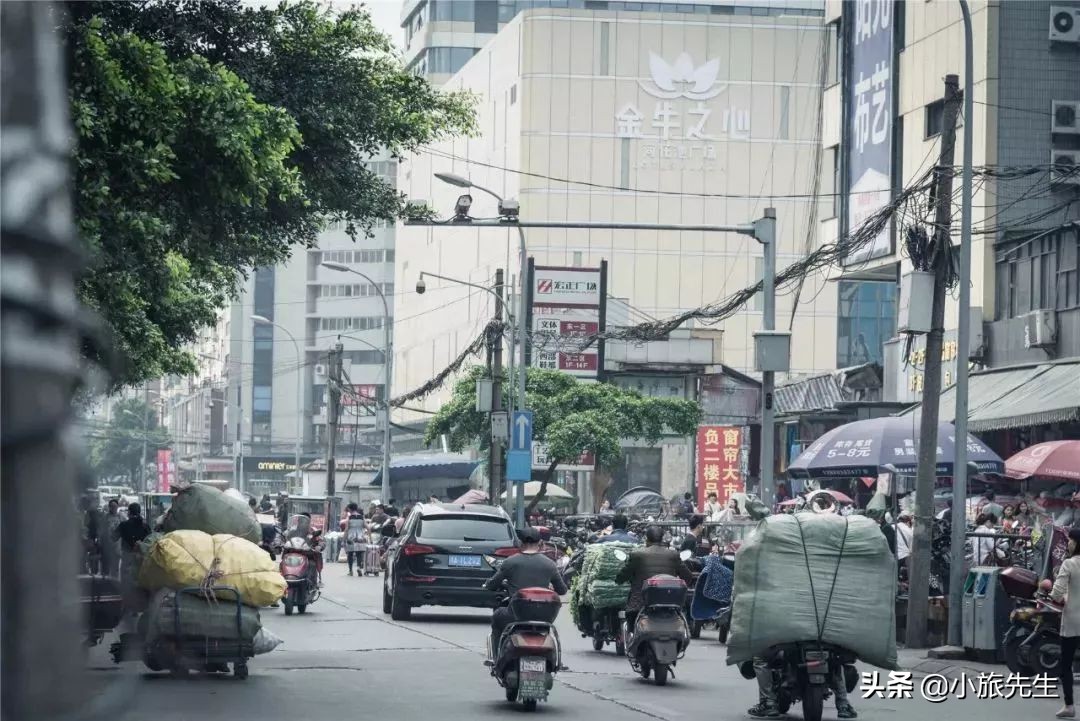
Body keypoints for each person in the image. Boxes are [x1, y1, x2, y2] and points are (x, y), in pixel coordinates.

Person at [482, 527, 567, 657]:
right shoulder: (549, 564)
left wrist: (488, 584)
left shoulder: (510, 562)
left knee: (497, 616)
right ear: (540, 544)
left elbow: (493, 584)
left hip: (515, 615)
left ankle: (497, 657)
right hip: (543, 616)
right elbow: (562, 590)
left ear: (521, 543)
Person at [615, 525, 694, 629]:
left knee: (631, 621)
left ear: (647, 539)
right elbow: (687, 576)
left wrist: (619, 579)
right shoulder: (673, 554)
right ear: (662, 539)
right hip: (669, 601)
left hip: (641, 602)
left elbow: (623, 575)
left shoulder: (637, 554)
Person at [1050, 528, 1080, 719]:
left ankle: (1069, 706)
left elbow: (1056, 592)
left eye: (1069, 541)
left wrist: (1061, 596)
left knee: (1066, 664)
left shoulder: (1069, 564)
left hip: (1072, 622)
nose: (1067, 544)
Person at [343, 503, 367, 577]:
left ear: (350, 509)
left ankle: (350, 571)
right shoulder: (362, 517)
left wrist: (344, 538)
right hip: (360, 537)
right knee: (359, 553)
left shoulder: (349, 518)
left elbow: (346, 529)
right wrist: (370, 537)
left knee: (350, 554)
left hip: (351, 537)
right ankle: (359, 567)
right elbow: (368, 527)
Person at [101, 499, 123, 578]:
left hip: (118, 545)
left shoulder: (121, 516)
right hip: (107, 544)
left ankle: (115, 581)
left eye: (115, 506)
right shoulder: (105, 517)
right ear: (109, 507)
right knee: (107, 564)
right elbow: (102, 530)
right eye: (112, 506)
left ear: (117, 507)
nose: (114, 508)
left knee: (116, 565)